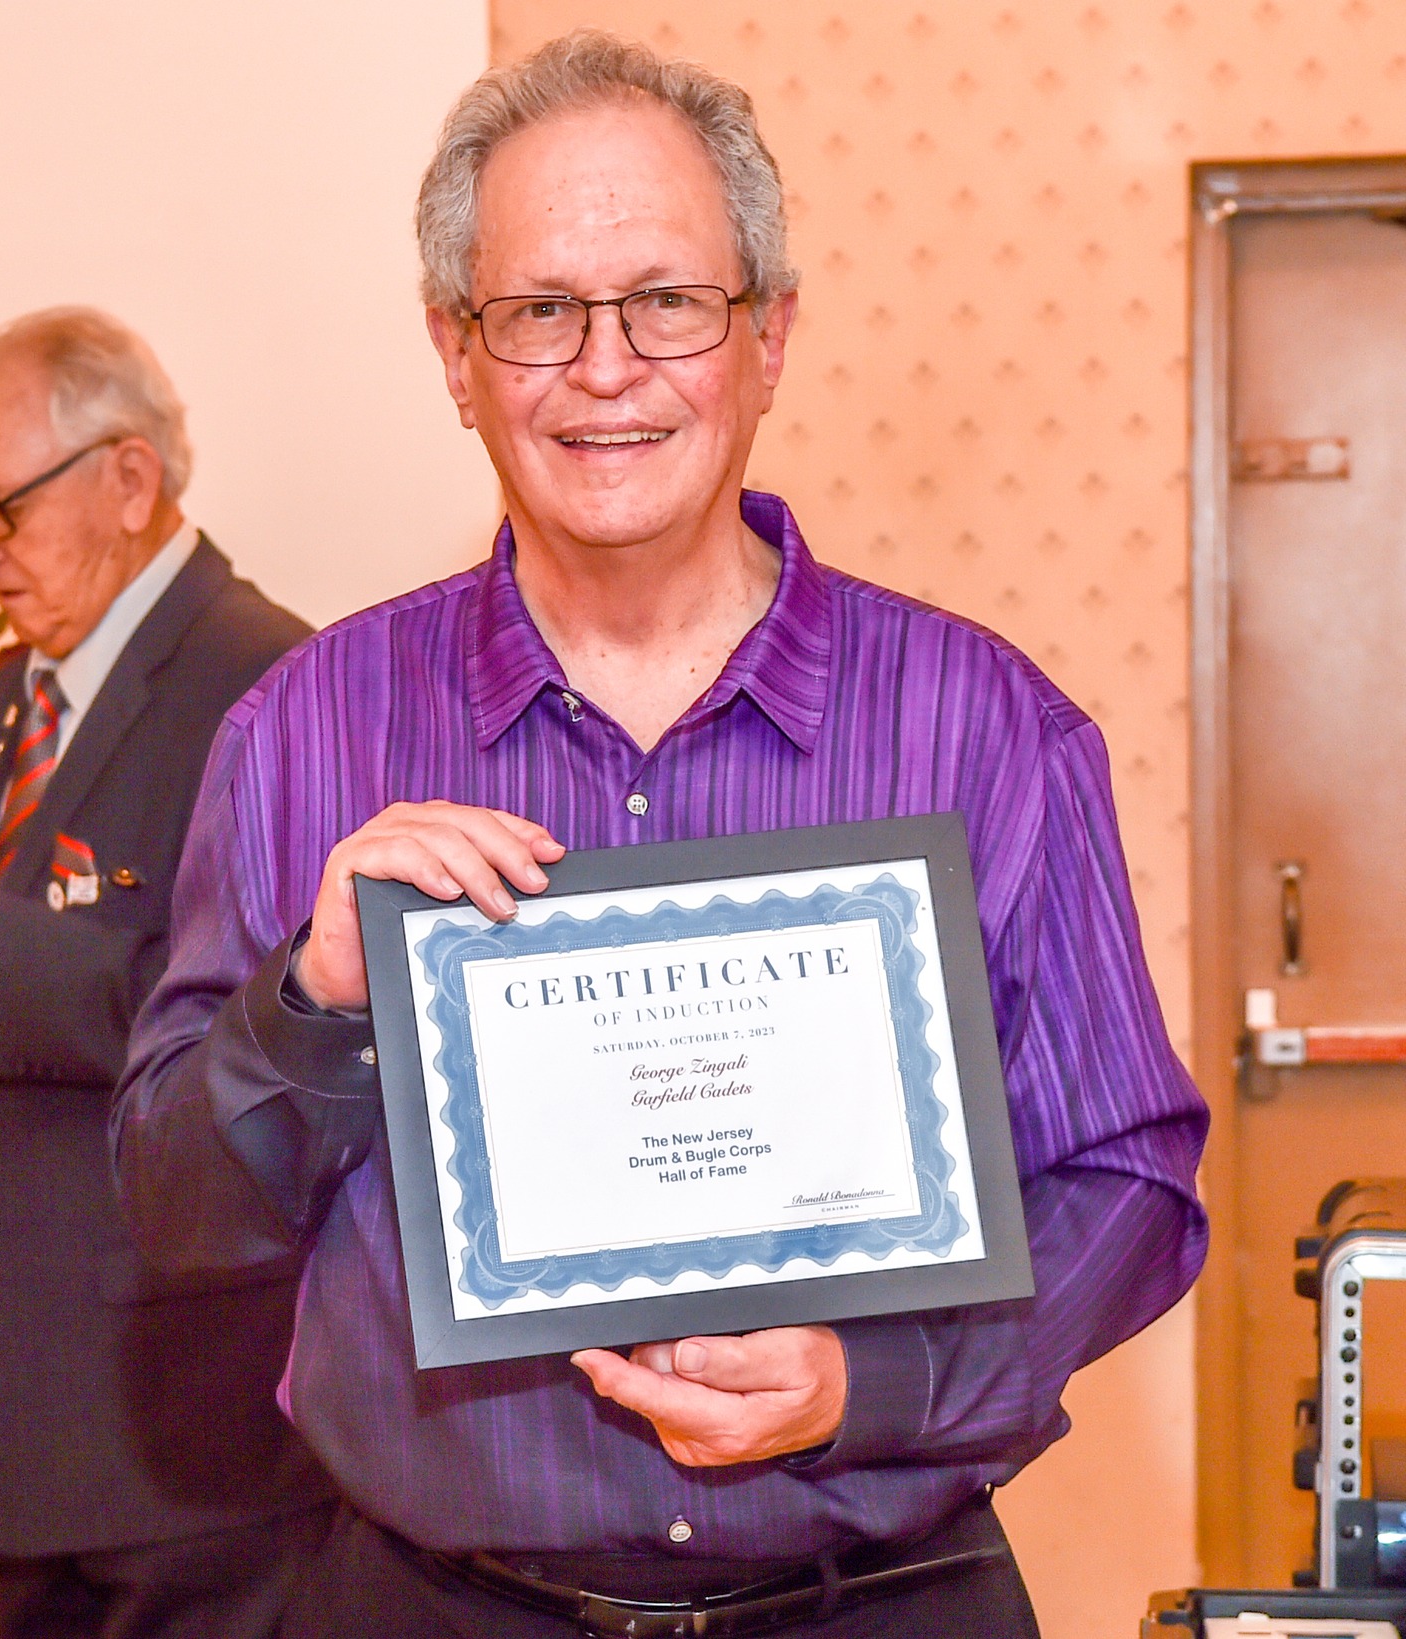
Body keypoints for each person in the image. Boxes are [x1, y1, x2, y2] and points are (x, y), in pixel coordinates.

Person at [112, 33, 1208, 1639]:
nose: (606, 368)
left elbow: (1129, 1181)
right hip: (434, 1606)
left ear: (769, 338)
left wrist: (875, 1377)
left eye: (669, 302)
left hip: (880, 1602)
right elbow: (173, 1210)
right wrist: (315, 1001)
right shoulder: (301, 733)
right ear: (457, 355)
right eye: (539, 311)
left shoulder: (987, 727)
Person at [0, 307, 329, 1639]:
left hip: (185, 1447)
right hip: (32, 1432)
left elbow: (266, 1021)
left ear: (130, 480)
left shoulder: (267, 682)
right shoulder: (20, 694)